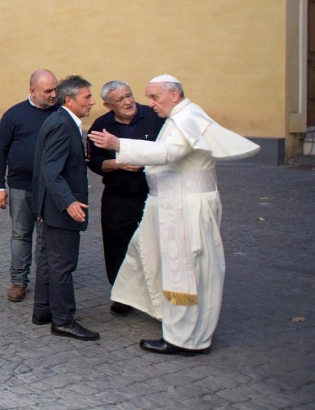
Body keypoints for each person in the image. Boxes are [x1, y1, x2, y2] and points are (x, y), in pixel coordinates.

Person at [90, 75, 258, 355]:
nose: (149, 103)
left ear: (175, 95)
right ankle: (174, 321)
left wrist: (119, 145)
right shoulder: (179, 115)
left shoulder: (186, 117)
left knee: (185, 271)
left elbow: (169, 152)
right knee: (146, 255)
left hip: (183, 208)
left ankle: (184, 339)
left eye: (154, 97)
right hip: (173, 204)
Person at [85, 81, 165, 315]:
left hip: (152, 193)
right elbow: (95, 162)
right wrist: (117, 164)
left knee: (154, 244)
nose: (128, 102)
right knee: (117, 246)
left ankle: (156, 295)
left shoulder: (154, 117)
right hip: (118, 196)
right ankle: (122, 296)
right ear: (108, 105)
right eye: (120, 100)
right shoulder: (101, 126)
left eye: (129, 95)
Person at [31, 75, 99, 340]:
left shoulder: (62, 121)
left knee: (50, 261)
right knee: (63, 264)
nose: (92, 102)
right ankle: (63, 319)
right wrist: (69, 201)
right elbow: (51, 169)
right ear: (69, 100)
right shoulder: (62, 124)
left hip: (52, 206)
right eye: (87, 97)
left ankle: (44, 309)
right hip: (60, 208)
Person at [0, 69, 59, 302]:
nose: (54, 94)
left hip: (50, 188)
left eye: (55, 89)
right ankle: (18, 282)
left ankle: (45, 282)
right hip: (20, 186)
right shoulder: (14, 115)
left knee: (45, 237)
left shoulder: (60, 114)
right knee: (20, 235)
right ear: (32, 91)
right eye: (48, 91)